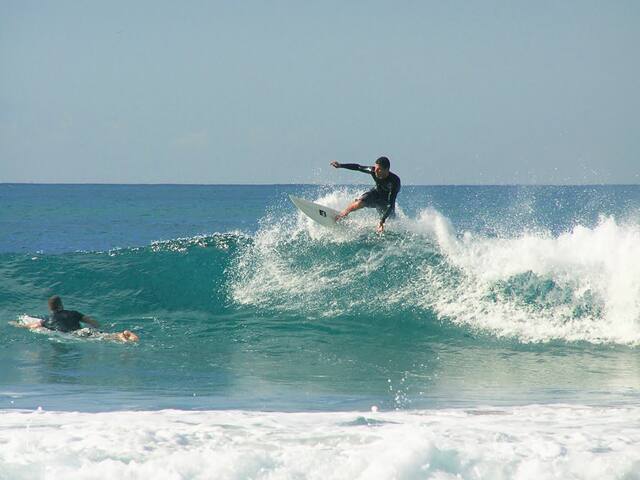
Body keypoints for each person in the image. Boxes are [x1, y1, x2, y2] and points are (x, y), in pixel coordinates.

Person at [20, 295, 139, 343]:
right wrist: (100, 327)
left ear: (50, 309)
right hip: (84, 331)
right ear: (61, 305)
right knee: (103, 335)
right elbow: (91, 321)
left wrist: (18, 325)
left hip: (75, 335)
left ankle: (122, 336)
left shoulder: (48, 319)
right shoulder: (74, 313)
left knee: (103, 339)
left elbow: (33, 326)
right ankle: (122, 334)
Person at [330, 156, 401, 233]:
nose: (376, 171)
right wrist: (341, 165)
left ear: (386, 169)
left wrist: (382, 220)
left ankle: (382, 226)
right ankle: (343, 214)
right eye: (375, 168)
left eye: (379, 169)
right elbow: (358, 167)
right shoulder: (373, 170)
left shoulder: (395, 181)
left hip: (385, 202)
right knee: (360, 201)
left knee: (390, 221)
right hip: (376, 193)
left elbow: (390, 204)